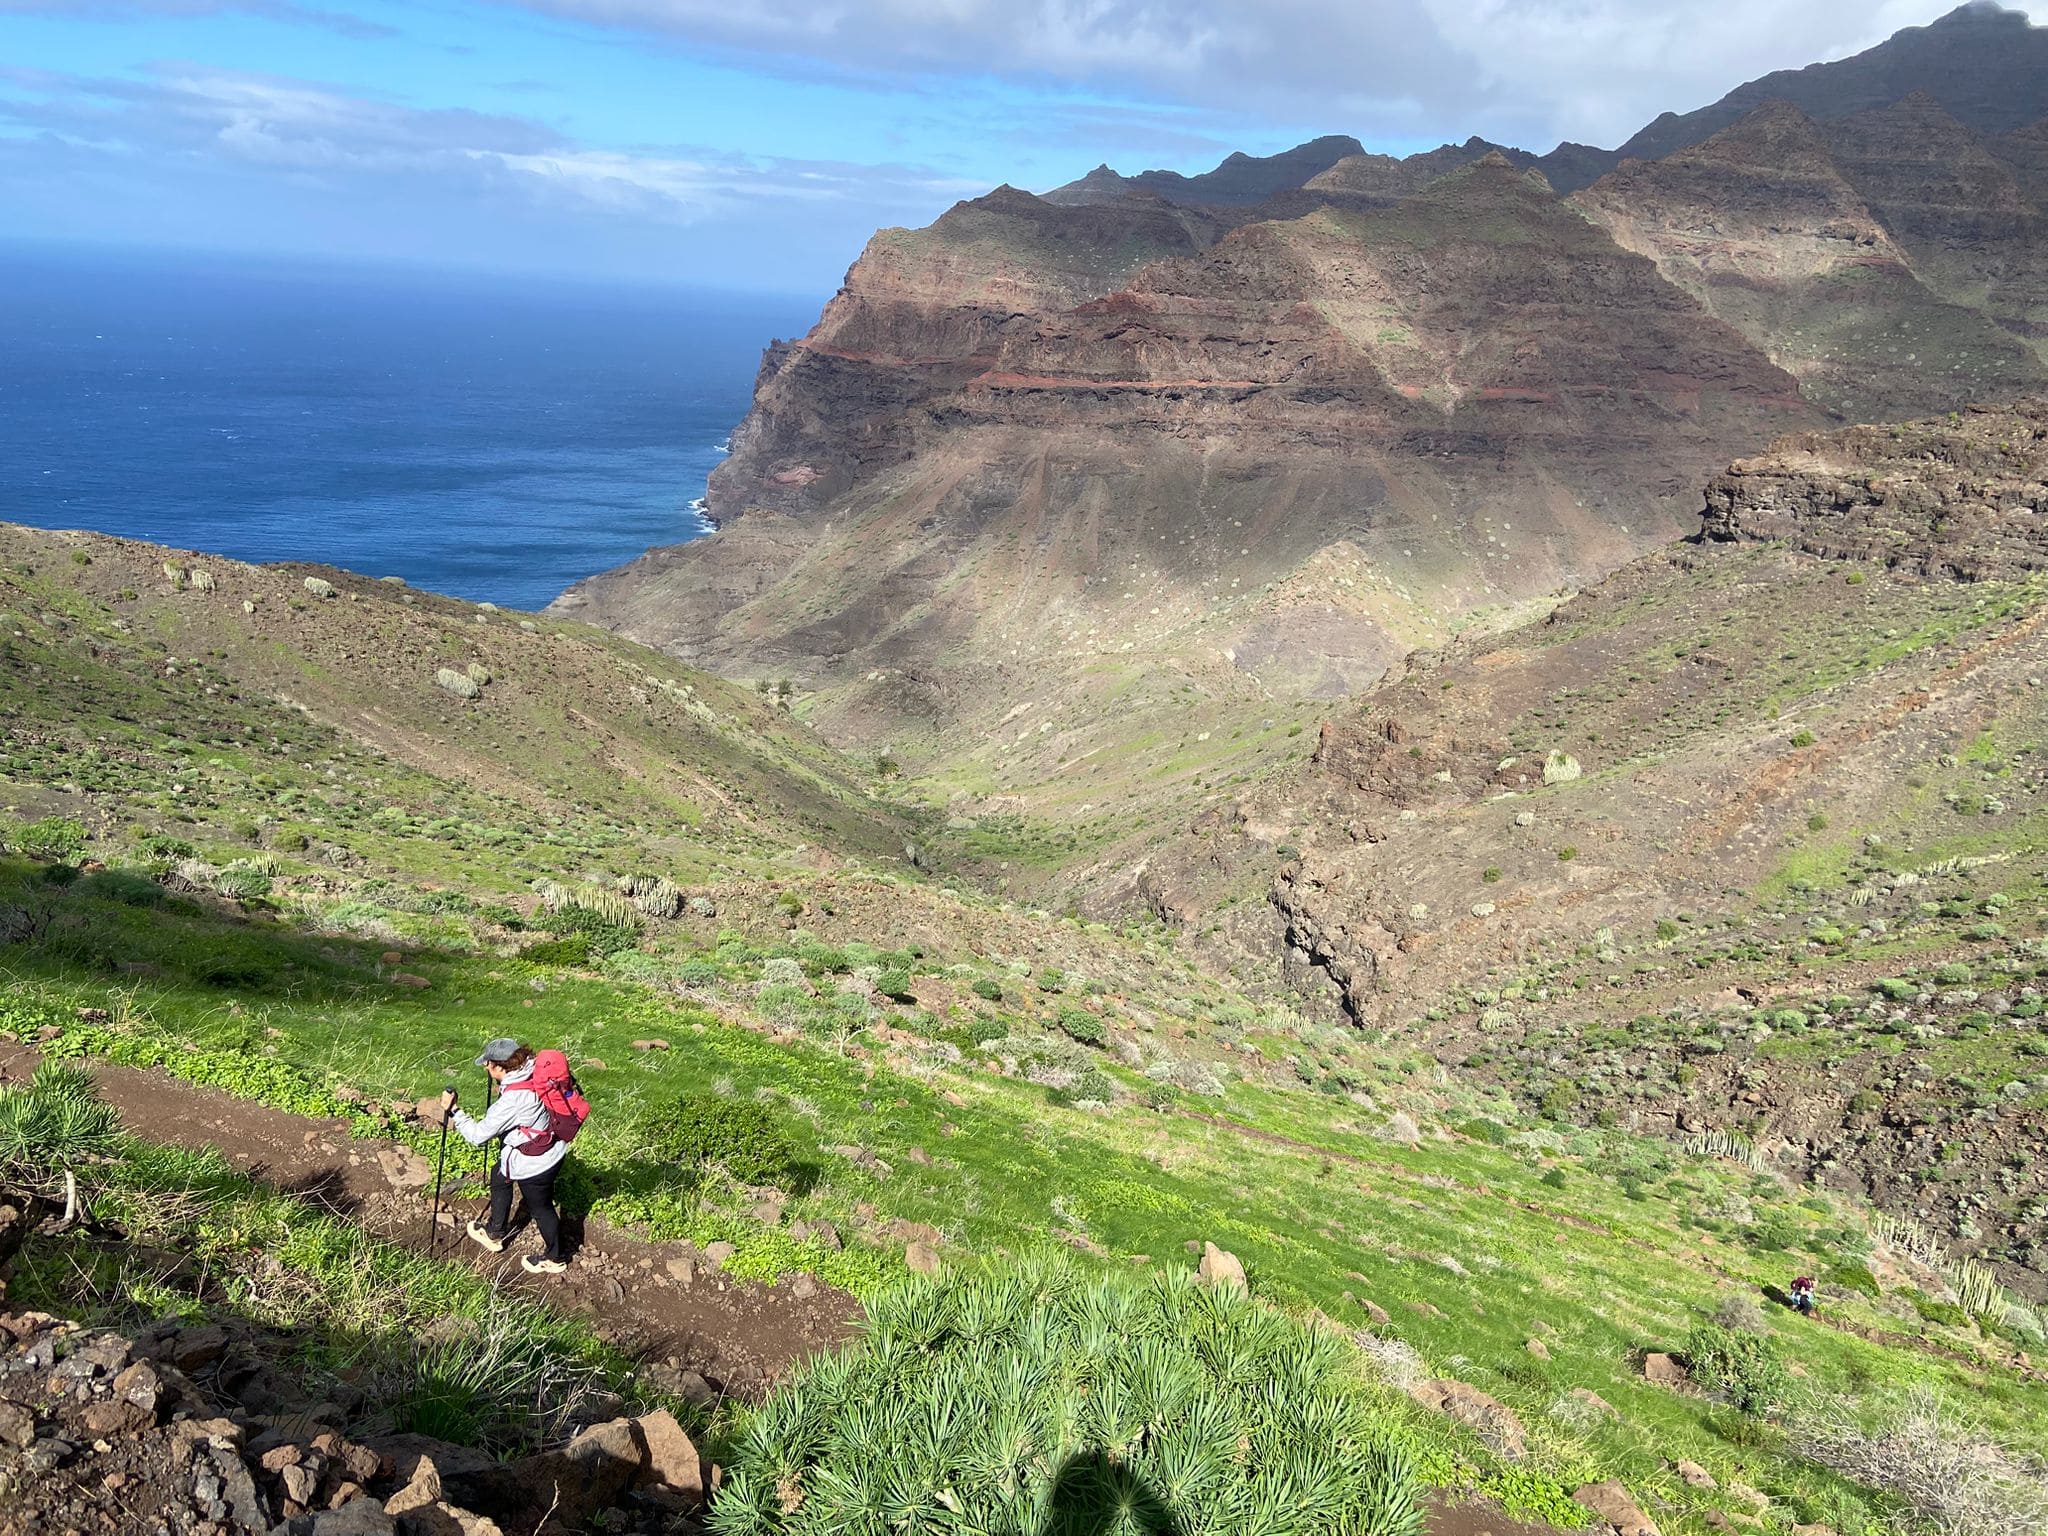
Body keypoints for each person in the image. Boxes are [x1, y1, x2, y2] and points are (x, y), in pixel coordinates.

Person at [442, 1038, 569, 1275]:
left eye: (488, 1064)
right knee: (499, 1175)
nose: (485, 1067)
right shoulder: (534, 1071)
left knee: (541, 1207)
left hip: (536, 1163)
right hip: (549, 1147)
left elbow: (479, 1136)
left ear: (500, 1067)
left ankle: (555, 1258)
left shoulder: (513, 1100)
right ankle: (494, 1233)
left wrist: (455, 1111)